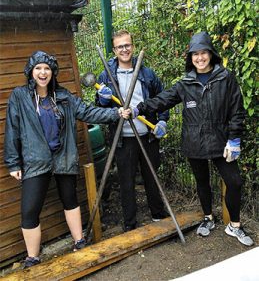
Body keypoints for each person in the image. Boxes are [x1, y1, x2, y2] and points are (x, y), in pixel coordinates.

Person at [4, 51, 130, 268]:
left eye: (47, 69)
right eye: (38, 68)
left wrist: (116, 113)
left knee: (70, 199)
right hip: (36, 160)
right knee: (29, 210)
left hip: (62, 156)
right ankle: (32, 257)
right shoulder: (20, 96)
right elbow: (12, 128)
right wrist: (14, 162)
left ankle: (79, 240)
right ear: (31, 72)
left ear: (53, 72)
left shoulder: (64, 97)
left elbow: (89, 112)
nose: (43, 73)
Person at [134, 31, 254, 246]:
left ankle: (234, 225)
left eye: (203, 53)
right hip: (194, 141)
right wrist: (138, 108)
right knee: (202, 182)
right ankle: (208, 218)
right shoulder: (185, 83)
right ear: (190, 58)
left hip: (221, 141)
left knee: (234, 182)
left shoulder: (226, 78)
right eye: (195, 54)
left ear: (211, 54)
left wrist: (234, 139)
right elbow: (163, 100)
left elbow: (237, 111)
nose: (200, 58)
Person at [96, 30, 170, 232]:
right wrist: (103, 99)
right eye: (120, 46)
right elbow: (101, 110)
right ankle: (130, 223)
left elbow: (161, 100)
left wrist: (162, 121)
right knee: (126, 183)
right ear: (114, 50)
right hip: (123, 139)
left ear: (133, 46)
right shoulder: (107, 76)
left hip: (147, 135)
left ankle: (158, 214)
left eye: (127, 45)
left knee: (151, 177)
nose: (124, 49)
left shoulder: (146, 73)